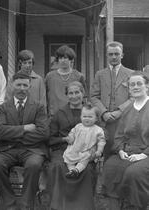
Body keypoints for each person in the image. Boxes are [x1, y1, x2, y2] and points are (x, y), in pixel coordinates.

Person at [0, 71, 49, 210]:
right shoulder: (3, 108)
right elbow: (0, 132)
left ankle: (25, 204)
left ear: (29, 87)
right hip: (7, 149)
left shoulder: (39, 107)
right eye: (18, 85)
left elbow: (43, 133)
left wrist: (13, 133)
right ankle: (10, 203)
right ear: (12, 86)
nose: (22, 88)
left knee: (34, 165)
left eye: (25, 85)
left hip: (32, 150)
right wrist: (25, 128)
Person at [102, 71, 149, 210]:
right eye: (132, 85)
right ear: (129, 89)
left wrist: (144, 154)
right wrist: (121, 150)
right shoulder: (128, 109)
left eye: (139, 83)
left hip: (146, 154)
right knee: (110, 167)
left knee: (134, 173)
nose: (135, 87)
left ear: (147, 86)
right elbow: (120, 135)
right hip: (128, 152)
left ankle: (137, 206)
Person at [47, 81, 96, 210]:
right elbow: (50, 138)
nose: (74, 96)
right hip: (63, 150)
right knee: (57, 166)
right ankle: (59, 206)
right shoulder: (59, 113)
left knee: (88, 169)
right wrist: (64, 139)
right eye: (71, 93)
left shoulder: (91, 111)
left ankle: (83, 206)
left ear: (83, 93)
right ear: (67, 95)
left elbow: (102, 132)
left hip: (85, 150)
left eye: (77, 92)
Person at [90, 41, 133, 159]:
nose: (113, 57)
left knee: (122, 153)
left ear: (122, 55)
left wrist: (120, 111)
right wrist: (103, 112)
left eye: (116, 54)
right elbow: (94, 96)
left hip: (123, 120)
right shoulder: (100, 74)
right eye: (110, 54)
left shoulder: (130, 74)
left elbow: (133, 97)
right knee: (105, 151)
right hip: (105, 121)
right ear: (107, 55)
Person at [63, 103, 105, 178]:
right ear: (81, 117)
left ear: (96, 118)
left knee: (86, 158)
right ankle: (72, 171)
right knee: (67, 157)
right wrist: (70, 138)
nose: (87, 118)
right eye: (84, 116)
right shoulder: (78, 126)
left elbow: (101, 141)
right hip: (76, 148)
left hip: (88, 150)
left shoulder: (98, 130)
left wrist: (99, 150)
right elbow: (72, 133)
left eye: (90, 117)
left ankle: (77, 170)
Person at [45, 45, 87, 117]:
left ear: (71, 60)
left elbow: (84, 97)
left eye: (65, 58)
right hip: (54, 116)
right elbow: (45, 97)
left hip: (74, 115)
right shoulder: (49, 76)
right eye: (60, 58)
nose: (63, 60)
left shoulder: (79, 76)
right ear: (57, 60)